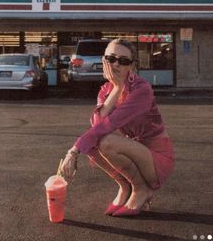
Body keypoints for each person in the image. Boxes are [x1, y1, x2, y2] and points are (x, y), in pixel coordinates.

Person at [61, 38, 175, 217]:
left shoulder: (141, 89)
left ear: (131, 66)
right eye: (111, 58)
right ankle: (125, 185)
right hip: (135, 149)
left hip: (155, 158)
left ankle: (140, 189)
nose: (116, 64)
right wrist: (116, 88)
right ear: (104, 60)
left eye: (123, 61)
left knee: (107, 142)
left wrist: (73, 151)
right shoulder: (105, 90)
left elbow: (108, 124)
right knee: (93, 143)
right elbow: (97, 125)